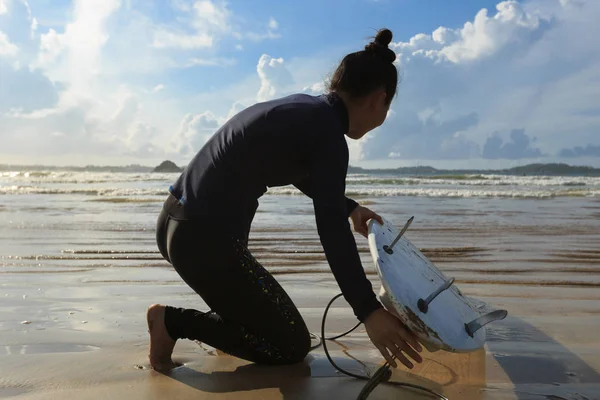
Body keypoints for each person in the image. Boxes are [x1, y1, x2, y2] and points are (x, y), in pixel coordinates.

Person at [147, 28, 423, 373]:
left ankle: (226, 327)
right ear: (378, 99)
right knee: (291, 345)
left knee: (263, 319)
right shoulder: (328, 136)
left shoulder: (305, 110)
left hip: (175, 224)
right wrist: (368, 310)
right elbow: (331, 233)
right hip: (204, 243)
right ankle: (172, 322)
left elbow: (303, 176)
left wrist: (348, 207)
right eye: (387, 107)